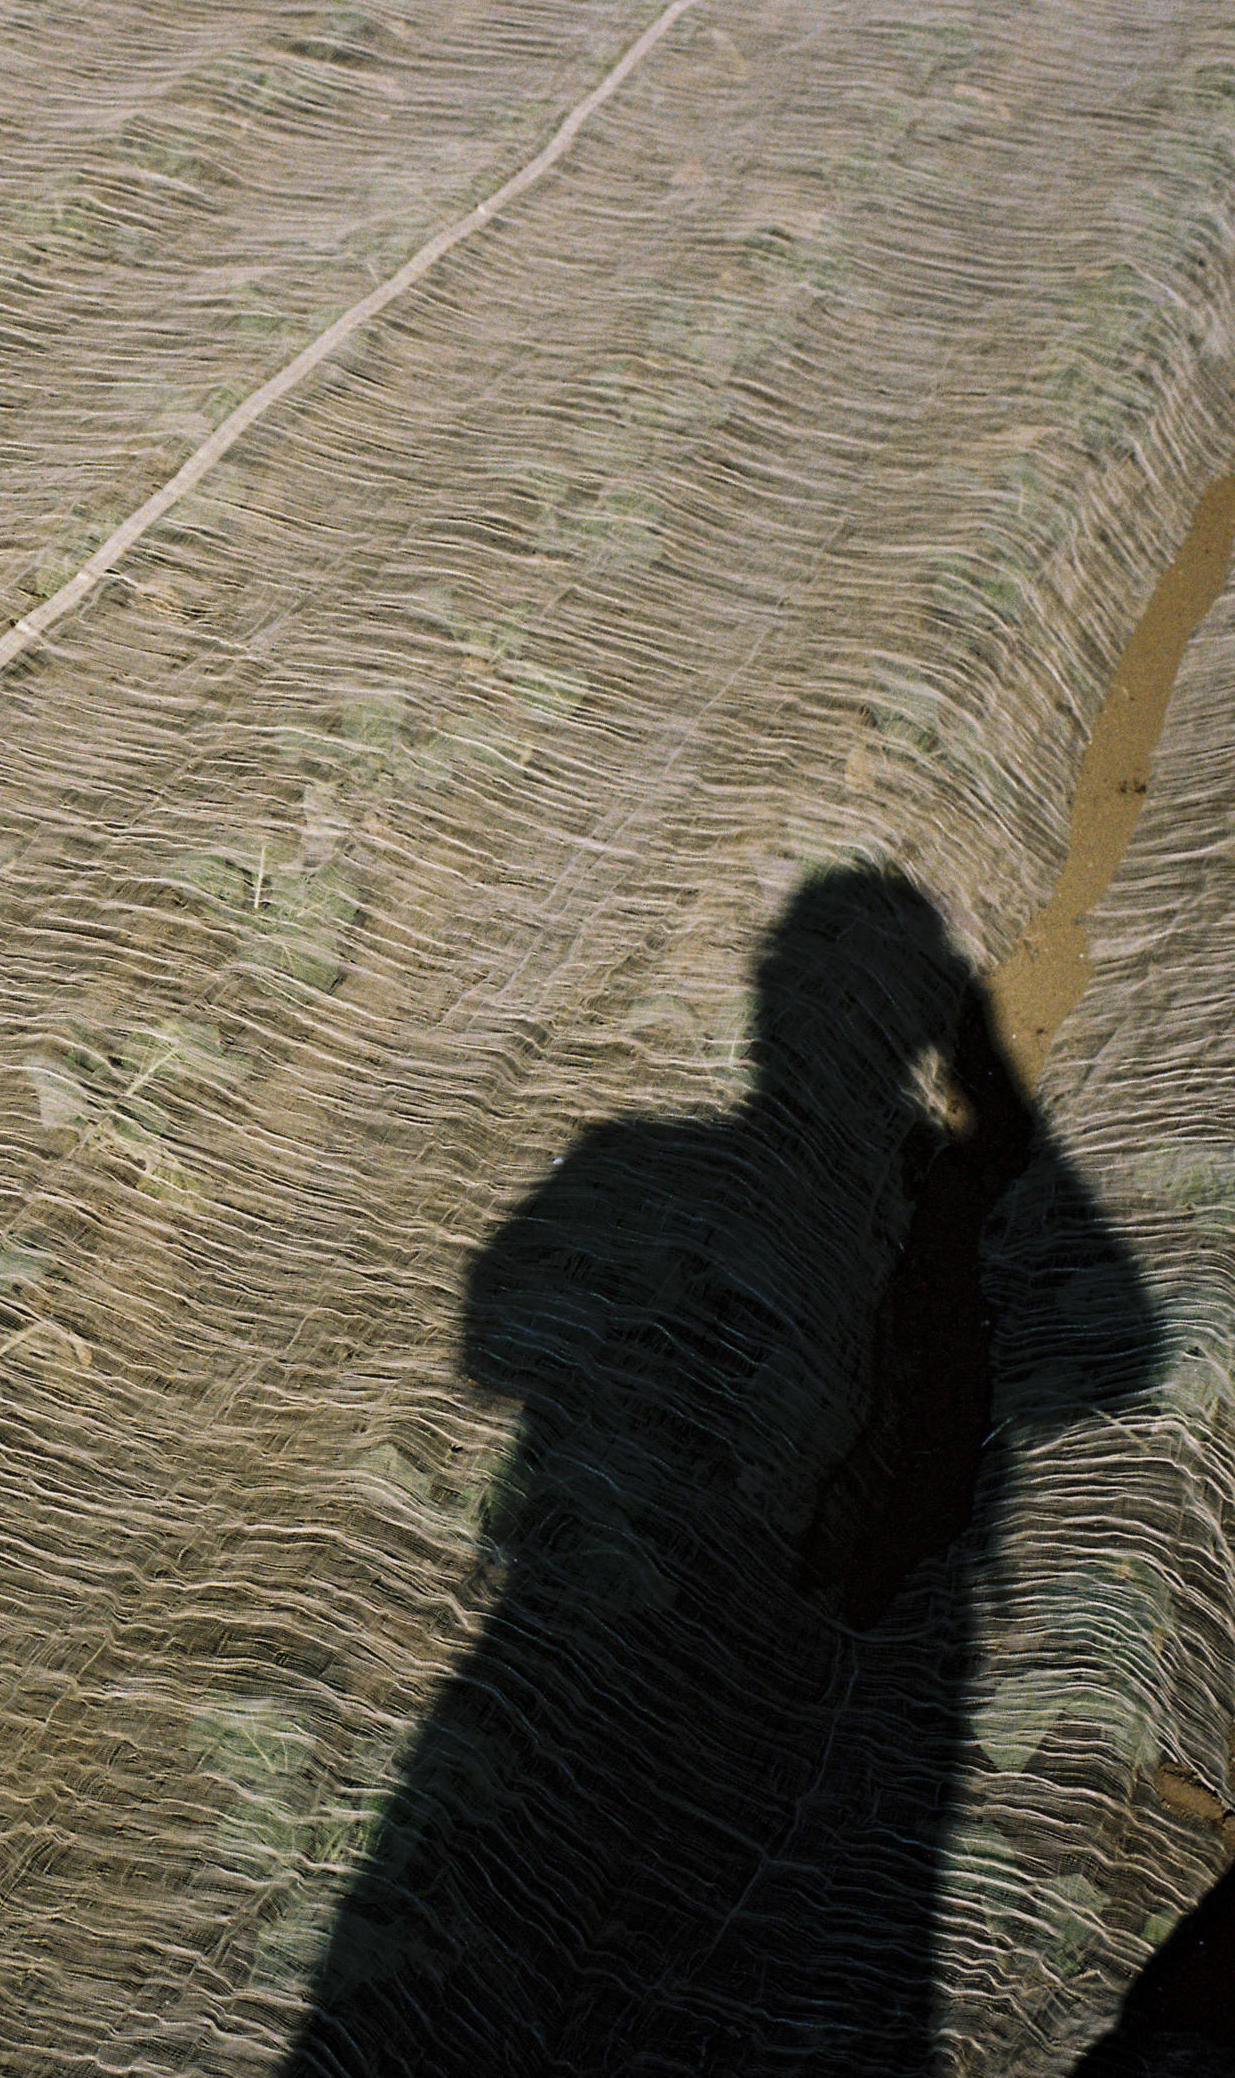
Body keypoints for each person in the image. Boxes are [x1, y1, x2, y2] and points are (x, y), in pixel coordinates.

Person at [276, 866, 1163, 2076]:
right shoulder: (683, 1162)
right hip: (638, 1589)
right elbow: (1111, 1350)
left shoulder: (709, 1164)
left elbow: (1111, 1354)